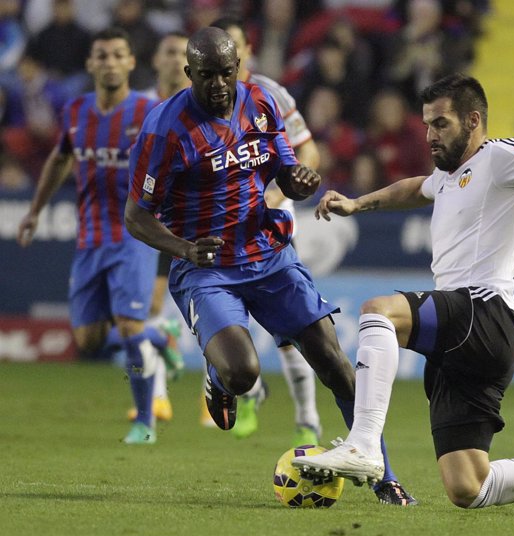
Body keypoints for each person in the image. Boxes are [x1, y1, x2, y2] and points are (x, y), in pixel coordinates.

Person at [292, 73, 514, 517]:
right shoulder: (448, 174)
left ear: (473, 121)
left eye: (441, 124)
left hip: (484, 312)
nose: (430, 135)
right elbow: (416, 187)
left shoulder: (501, 156)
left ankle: (364, 445)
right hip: (467, 340)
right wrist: (358, 204)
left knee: (379, 312)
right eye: (427, 124)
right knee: (468, 486)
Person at [124, 26, 416, 506]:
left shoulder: (260, 102)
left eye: (226, 73)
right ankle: (220, 379)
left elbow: (285, 172)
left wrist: (300, 181)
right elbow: (136, 216)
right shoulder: (164, 129)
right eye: (207, 76)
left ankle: (386, 475)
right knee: (244, 374)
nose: (219, 85)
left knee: (336, 364)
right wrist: (182, 248)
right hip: (207, 267)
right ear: (188, 73)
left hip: (270, 255)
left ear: (238, 66)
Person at [16, 28, 176, 445]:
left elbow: (176, 164)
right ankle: (159, 337)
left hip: (134, 234)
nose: (109, 62)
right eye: (101, 55)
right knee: (87, 339)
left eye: (117, 55)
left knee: (127, 325)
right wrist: (34, 212)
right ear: (90, 64)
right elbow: (60, 158)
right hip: (90, 237)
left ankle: (144, 422)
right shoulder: (75, 111)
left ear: (129, 63)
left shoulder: (150, 111)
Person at [204, 16, 323, 446]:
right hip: (222, 222)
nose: (224, 58)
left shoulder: (269, 94)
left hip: (269, 216)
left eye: (232, 48)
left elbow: (307, 145)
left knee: (288, 326)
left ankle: (308, 417)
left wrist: (282, 191)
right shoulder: (200, 100)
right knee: (230, 313)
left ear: (246, 51)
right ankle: (251, 390)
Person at [124, 31, 192, 425]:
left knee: (161, 302)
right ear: (155, 60)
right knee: (148, 304)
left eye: (182, 53)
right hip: (146, 216)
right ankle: (159, 396)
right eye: (168, 51)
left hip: (185, 216)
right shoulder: (139, 107)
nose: (174, 59)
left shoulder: (198, 109)